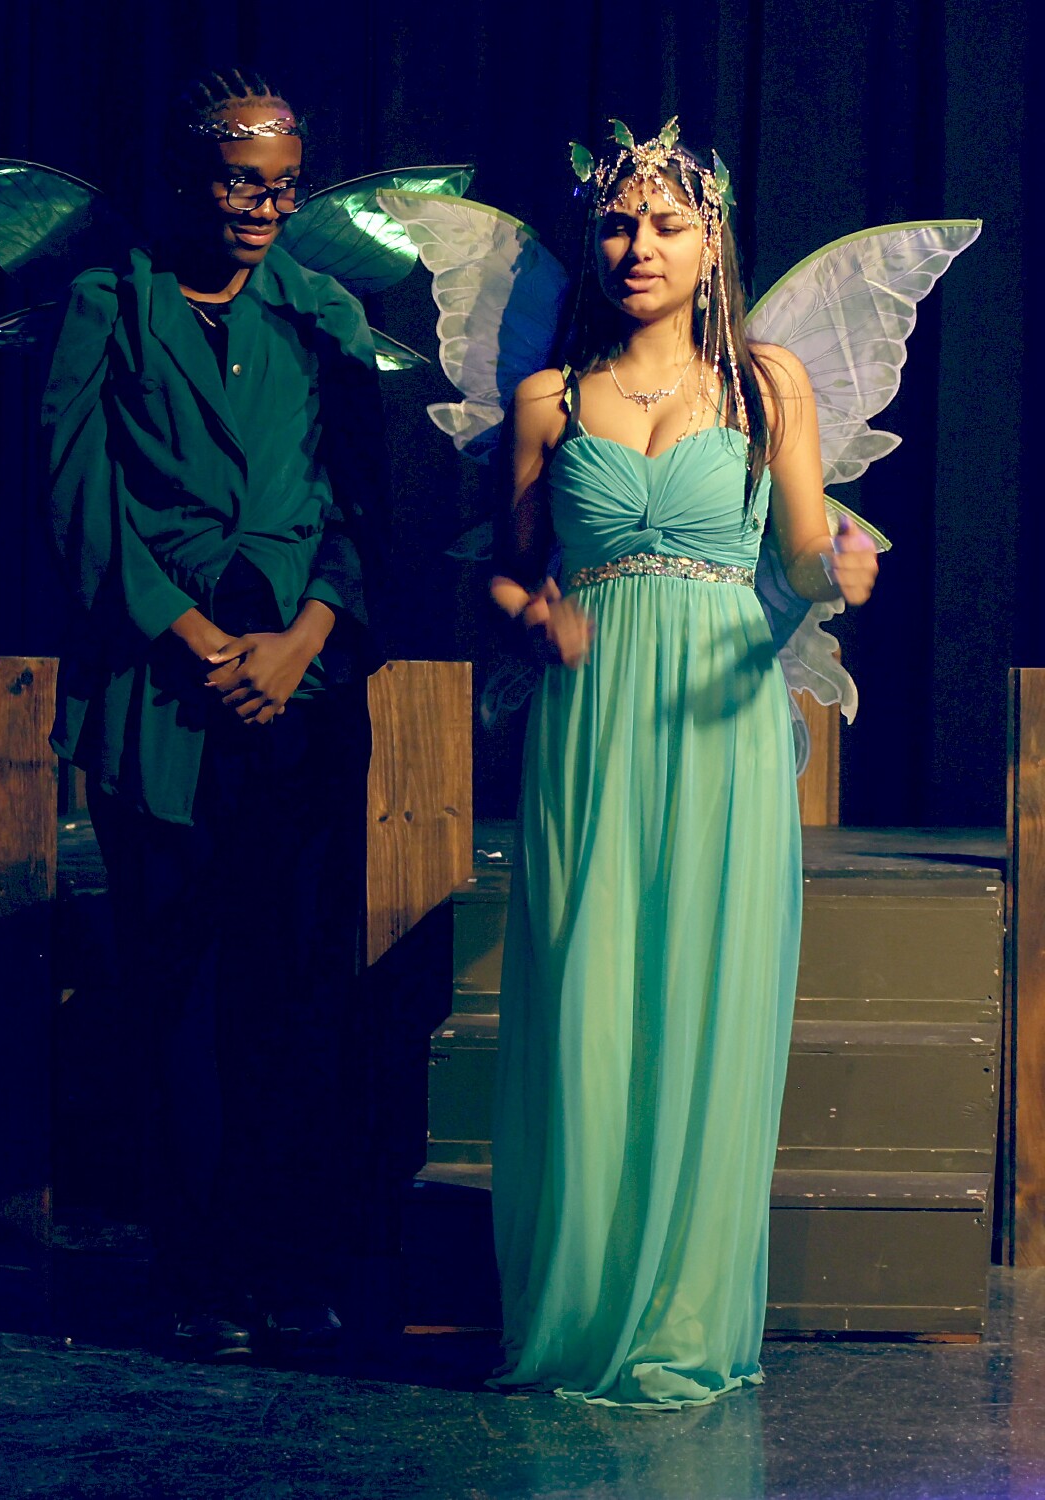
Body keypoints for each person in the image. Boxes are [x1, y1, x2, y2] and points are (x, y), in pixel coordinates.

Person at [486, 119, 877, 1408]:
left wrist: (841, 569)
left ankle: (683, 1318)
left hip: (721, 720)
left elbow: (800, 559)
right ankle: (585, 1308)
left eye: (665, 224)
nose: (638, 246)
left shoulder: (768, 387)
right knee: (590, 1001)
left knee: (705, 1000)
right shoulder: (549, 400)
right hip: (594, 723)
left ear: (712, 243)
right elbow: (504, 570)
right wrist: (536, 614)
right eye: (617, 224)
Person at [41, 68, 387, 1362]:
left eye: (285, 188)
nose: (265, 209)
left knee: (291, 985)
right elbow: (80, 507)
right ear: (189, 180)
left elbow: (365, 511)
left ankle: (284, 1262)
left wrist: (302, 640)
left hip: (299, 689)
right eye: (243, 184)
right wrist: (192, 639)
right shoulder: (107, 304)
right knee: (175, 991)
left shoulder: (326, 314)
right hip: (161, 693)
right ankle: (192, 1274)